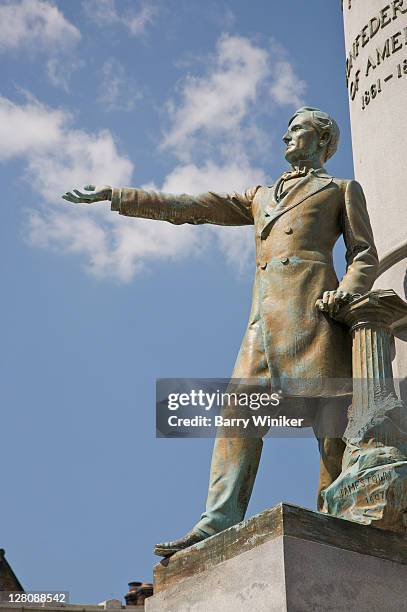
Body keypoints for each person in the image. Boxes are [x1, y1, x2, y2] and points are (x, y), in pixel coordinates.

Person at [62, 107, 378, 556]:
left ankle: (339, 516)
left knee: (330, 425)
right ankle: (218, 520)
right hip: (263, 323)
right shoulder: (260, 195)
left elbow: (364, 253)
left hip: (316, 315)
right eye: (286, 128)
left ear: (322, 139)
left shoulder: (340, 190)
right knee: (237, 414)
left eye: (298, 128)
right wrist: (118, 195)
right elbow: (193, 207)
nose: (286, 135)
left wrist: (346, 292)